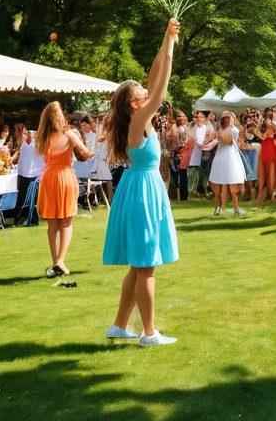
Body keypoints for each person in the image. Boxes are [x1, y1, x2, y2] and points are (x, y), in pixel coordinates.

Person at [102, 18, 182, 347]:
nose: (146, 93)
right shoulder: (139, 118)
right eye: (140, 94)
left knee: (138, 266)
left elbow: (154, 75)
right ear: (133, 103)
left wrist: (168, 39)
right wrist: (171, 48)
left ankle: (120, 326)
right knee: (146, 265)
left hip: (139, 190)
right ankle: (149, 333)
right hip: (142, 193)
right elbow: (159, 92)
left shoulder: (137, 117)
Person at [34, 102, 92, 280]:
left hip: (49, 179)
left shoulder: (43, 137)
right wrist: (88, 152)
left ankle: (55, 262)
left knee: (52, 224)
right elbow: (83, 150)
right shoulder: (69, 133)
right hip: (65, 177)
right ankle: (61, 261)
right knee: (66, 222)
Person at [209, 112, 247, 218]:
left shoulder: (228, 130)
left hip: (226, 157)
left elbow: (227, 140)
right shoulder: (226, 130)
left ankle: (228, 209)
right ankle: (223, 208)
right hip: (225, 157)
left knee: (227, 185)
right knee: (224, 185)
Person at [13, 128, 44, 224]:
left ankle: (32, 219)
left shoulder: (37, 144)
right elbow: (18, 154)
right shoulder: (22, 144)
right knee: (21, 197)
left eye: (24, 132)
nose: (22, 135)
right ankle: (18, 218)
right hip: (22, 173)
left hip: (34, 174)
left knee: (31, 198)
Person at [256, 109, 276, 206]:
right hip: (265, 147)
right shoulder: (268, 126)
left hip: (270, 148)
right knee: (265, 172)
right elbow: (262, 137)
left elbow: (264, 136)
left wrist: (257, 132)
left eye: (268, 119)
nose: (267, 120)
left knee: (271, 172)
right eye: (266, 119)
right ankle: (266, 194)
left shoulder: (272, 125)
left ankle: (271, 194)